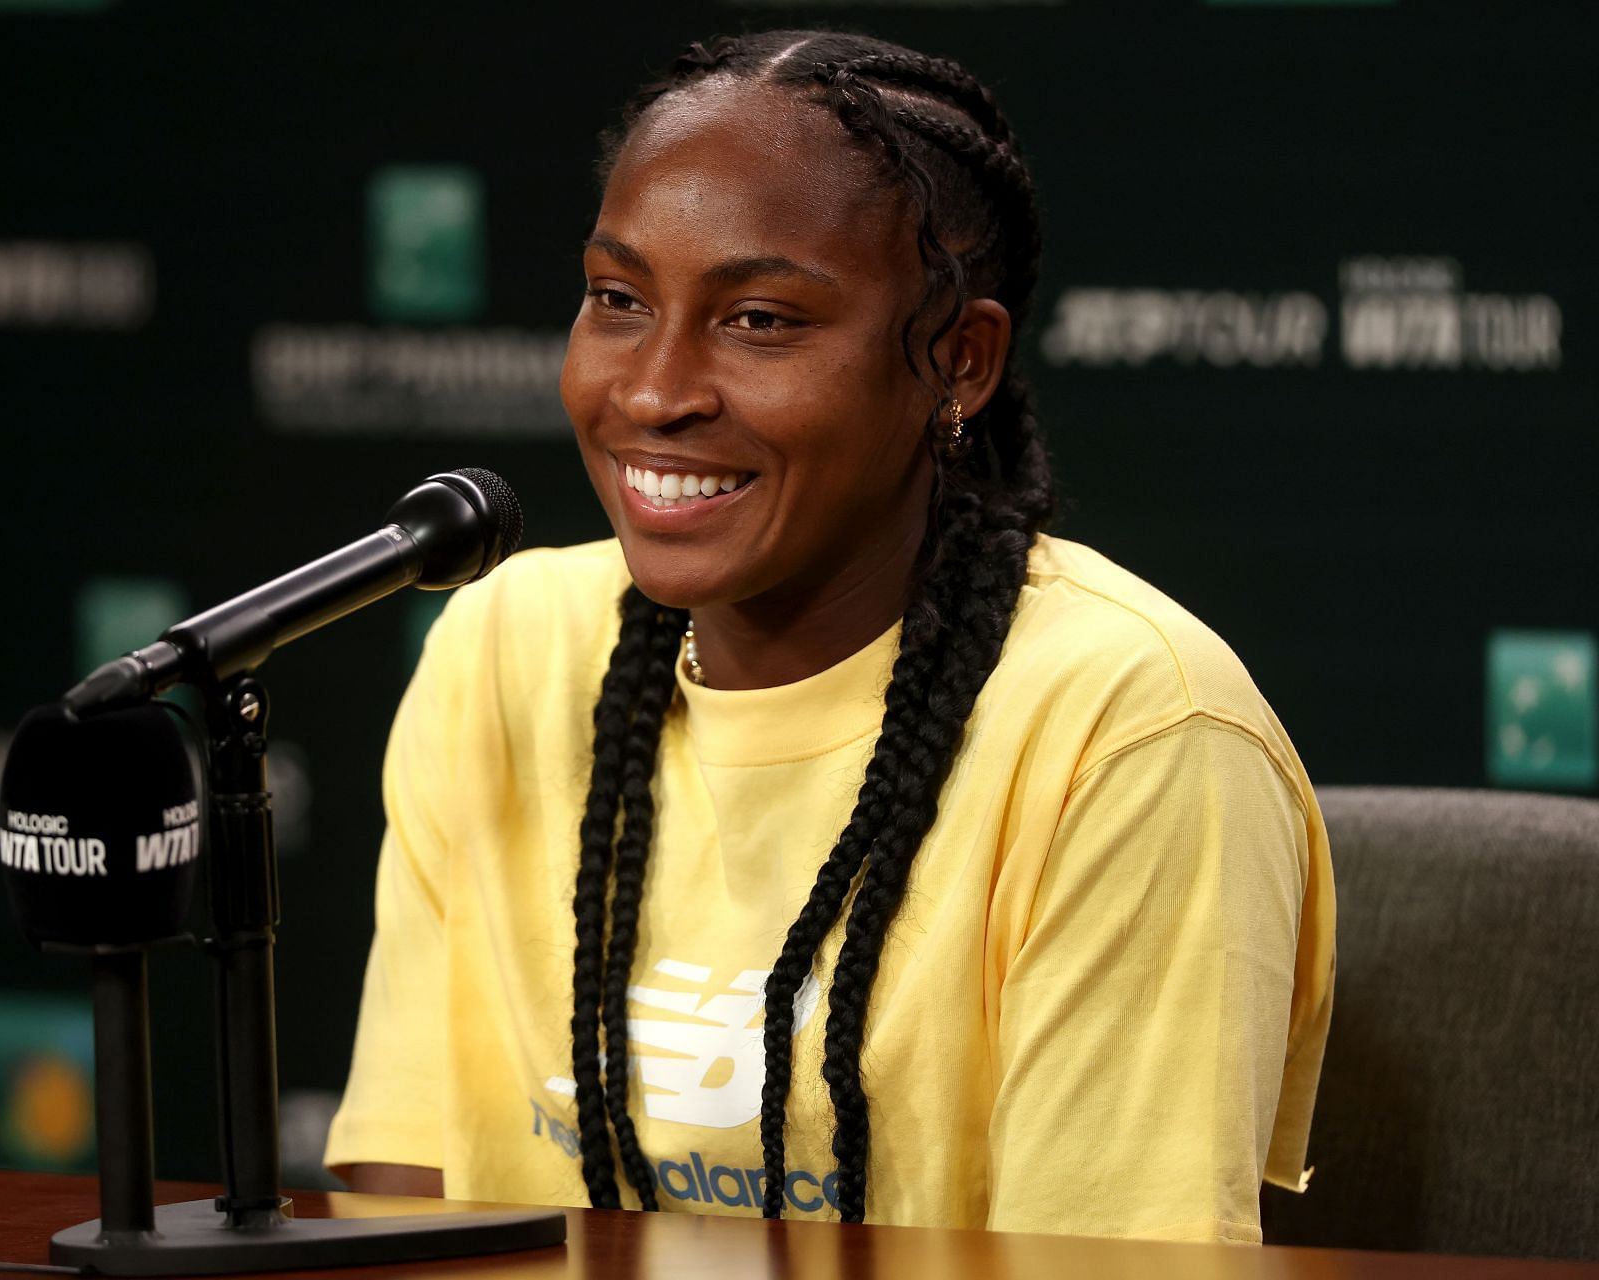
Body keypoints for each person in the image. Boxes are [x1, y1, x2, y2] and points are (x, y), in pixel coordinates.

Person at [324, 29, 1335, 1243]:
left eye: (758, 319)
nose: (654, 389)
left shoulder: (1133, 729)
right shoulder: (505, 648)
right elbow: (399, 1198)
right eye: (618, 299)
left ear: (957, 362)